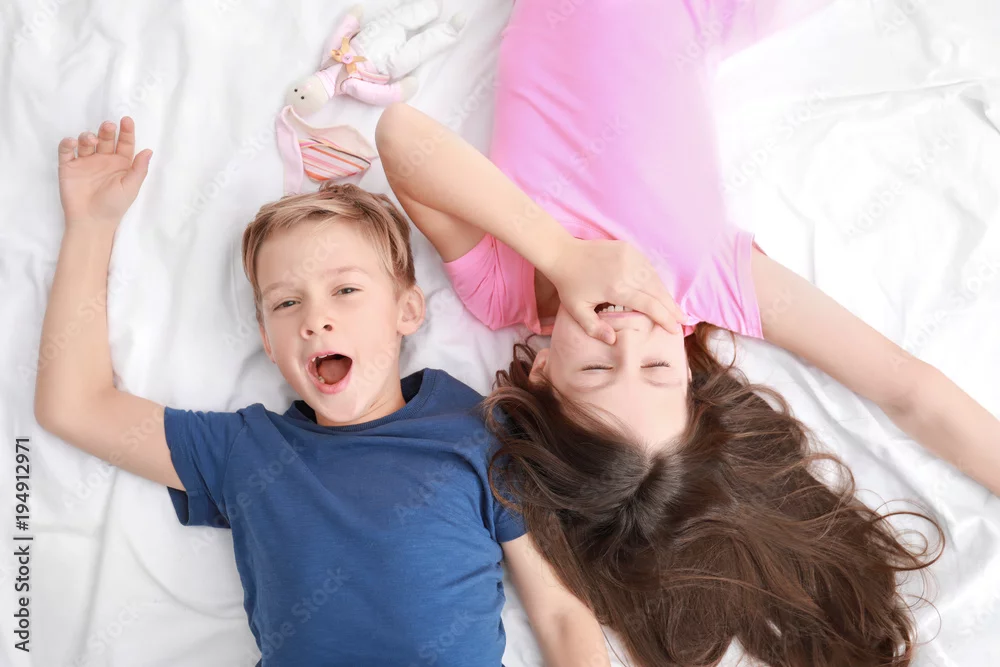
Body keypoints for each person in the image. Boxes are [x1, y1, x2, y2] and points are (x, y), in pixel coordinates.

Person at [374, 0, 1000, 664]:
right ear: (688, 372)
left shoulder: (506, 282)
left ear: (542, 372)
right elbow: (907, 390)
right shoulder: (707, 281)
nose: (627, 339)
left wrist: (561, 255)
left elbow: (400, 135)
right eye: (656, 369)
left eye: (596, 369)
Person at [33, 117, 612, 667]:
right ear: (267, 339)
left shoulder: (481, 431)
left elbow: (561, 612)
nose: (315, 320)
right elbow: (75, 406)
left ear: (408, 310)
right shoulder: (246, 450)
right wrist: (90, 226)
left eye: (346, 290)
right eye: (287, 302)